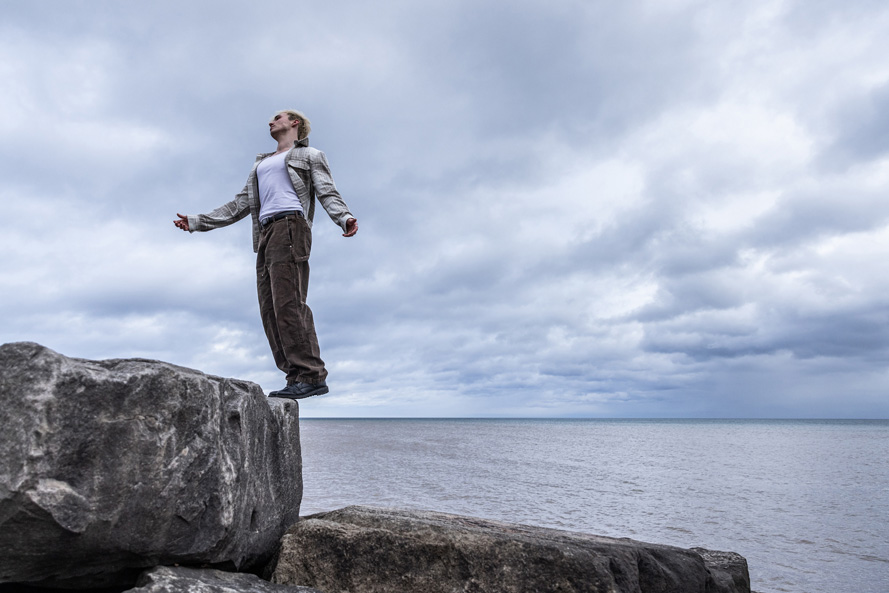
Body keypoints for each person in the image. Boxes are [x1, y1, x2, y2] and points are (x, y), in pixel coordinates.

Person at [174, 109, 357, 400]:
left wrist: (343, 217)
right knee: (270, 308)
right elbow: (240, 204)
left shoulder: (310, 155)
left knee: (289, 301)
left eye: (278, 117)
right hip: (266, 234)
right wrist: (198, 222)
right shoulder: (261, 163)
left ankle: (311, 374)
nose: (271, 122)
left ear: (294, 123)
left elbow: (327, 191)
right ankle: (295, 375)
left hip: (290, 226)